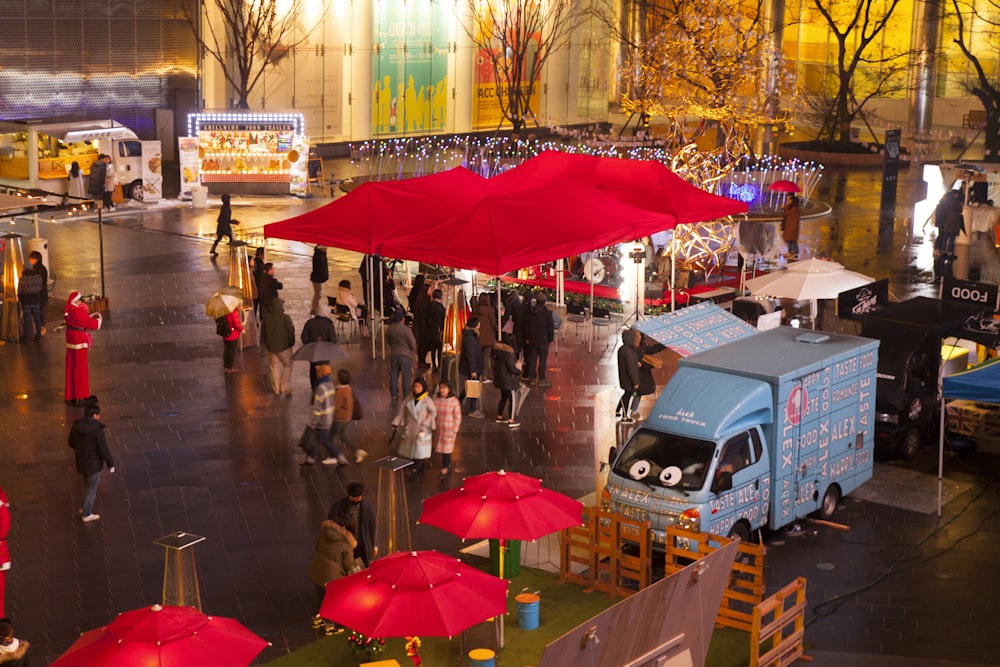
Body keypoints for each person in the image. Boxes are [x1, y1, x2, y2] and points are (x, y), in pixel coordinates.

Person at [306, 518, 355, 636]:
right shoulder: (346, 544)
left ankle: (316, 619)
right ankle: (329, 627)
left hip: (317, 569)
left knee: (319, 596)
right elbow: (348, 564)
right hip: (331, 576)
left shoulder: (326, 533)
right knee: (331, 601)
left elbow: (317, 546)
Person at [68, 404, 115, 523]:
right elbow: (103, 449)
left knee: (86, 486)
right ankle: (86, 514)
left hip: (81, 462)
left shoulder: (76, 426)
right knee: (91, 490)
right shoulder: (97, 431)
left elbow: (71, 442)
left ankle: (82, 508)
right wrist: (111, 464)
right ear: (95, 415)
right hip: (94, 465)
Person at [304, 364, 348, 466]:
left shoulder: (320, 388)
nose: (317, 373)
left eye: (318, 372)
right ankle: (310, 458)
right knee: (317, 438)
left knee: (325, 440)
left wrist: (313, 423)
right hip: (330, 417)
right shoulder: (331, 385)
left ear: (321, 374)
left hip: (323, 419)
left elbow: (317, 408)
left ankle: (340, 457)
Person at [64, 291, 102, 407]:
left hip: (71, 339)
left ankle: (70, 396)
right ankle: (80, 397)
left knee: (71, 367)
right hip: (79, 340)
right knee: (81, 369)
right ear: (75, 301)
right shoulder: (77, 311)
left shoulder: (69, 310)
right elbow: (87, 322)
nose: (81, 302)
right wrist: (98, 322)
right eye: (79, 300)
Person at [392, 378, 437, 474]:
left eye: (418, 387)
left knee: (419, 448)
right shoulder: (409, 398)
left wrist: (427, 420)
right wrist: (396, 423)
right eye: (415, 386)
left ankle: (418, 464)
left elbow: (433, 411)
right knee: (412, 447)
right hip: (411, 427)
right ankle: (414, 463)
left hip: (422, 428)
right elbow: (402, 411)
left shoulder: (427, 400)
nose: (416, 389)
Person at [327, 482, 377, 567]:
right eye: (353, 498)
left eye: (358, 498)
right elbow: (331, 526)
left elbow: (372, 527)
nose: (356, 501)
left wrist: (373, 544)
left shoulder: (367, 507)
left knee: (365, 566)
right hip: (346, 544)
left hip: (362, 544)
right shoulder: (338, 507)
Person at [261, 297, 295, 396]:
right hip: (284, 347)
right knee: (287, 365)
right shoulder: (286, 318)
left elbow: (262, 334)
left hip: (271, 348)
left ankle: (276, 389)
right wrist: (291, 343)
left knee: (274, 367)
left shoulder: (266, 318)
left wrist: (267, 343)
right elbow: (291, 332)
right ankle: (284, 386)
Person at [332, 369, 367, 464]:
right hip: (347, 417)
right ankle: (358, 451)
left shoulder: (340, 391)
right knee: (343, 436)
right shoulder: (348, 388)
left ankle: (335, 456)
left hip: (340, 418)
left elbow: (336, 406)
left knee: (332, 437)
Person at [300, 306, 337, 389]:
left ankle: (314, 388)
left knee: (313, 369)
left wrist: (308, 345)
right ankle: (323, 387)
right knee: (324, 370)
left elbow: (303, 337)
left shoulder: (309, 323)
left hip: (313, 351)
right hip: (325, 352)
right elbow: (333, 340)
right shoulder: (329, 324)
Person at [523, 292, 554, 388]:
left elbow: (526, 326)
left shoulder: (531, 312)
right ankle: (542, 379)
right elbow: (550, 327)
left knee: (532, 359)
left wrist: (527, 337)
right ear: (544, 302)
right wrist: (551, 339)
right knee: (542, 361)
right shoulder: (547, 314)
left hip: (532, 340)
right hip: (543, 340)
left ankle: (532, 378)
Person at [433, 380, 462, 477]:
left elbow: (457, 417)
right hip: (438, 428)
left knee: (446, 450)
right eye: (440, 388)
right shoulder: (436, 399)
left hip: (449, 429)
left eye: (444, 388)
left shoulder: (454, 401)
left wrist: (454, 429)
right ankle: (447, 465)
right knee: (443, 449)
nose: (442, 390)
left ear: (449, 389)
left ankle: (446, 466)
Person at [386, 309, 417, 401]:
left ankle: (394, 393)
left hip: (394, 354)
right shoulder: (406, 329)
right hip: (405, 355)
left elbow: (388, 341)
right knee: (406, 376)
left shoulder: (390, 328)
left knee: (394, 375)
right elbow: (412, 343)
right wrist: (413, 353)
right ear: (402, 319)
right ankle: (407, 394)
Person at [458, 317, 485, 418]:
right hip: (473, 367)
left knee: (469, 387)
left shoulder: (472, 335)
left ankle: (457, 402)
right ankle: (472, 409)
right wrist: (473, 370)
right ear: (476, 325)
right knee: (473, 387)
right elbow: (471, 355)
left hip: (474, 366)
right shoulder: (470, 338)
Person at [493, 333, 521, 427]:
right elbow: (511, 368)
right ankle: (511, 419)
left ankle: (499, 416)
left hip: (500, 378)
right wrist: (518, 371)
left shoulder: (498, 350)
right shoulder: (510, 352)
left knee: (503, 397)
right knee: (512, 399)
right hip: (509, 380)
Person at [617, 328, 643, 424]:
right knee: (627, 397)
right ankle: (624, 417)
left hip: (623, 377)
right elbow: (631, 369)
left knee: (625, 395)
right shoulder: (630, 352)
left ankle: (617, 410)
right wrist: (636, 382)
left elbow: (627, 364)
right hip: (629, 380)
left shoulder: (622, 349)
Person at [17, 259, 45, 343]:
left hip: (26, 302)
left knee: (27, 319)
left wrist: (21, 299)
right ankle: (38, 335)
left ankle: (26, 337)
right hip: (36, 300)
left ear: (24, 268)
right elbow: (41, 288)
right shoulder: (38, 277)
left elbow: (20, 291)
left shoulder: (22, 279)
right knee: (37, 318)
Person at [935, 189, 965, 257]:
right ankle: (950, 252)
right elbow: (960, 210)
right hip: (954, 222)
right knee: (952, 237)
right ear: (955, 195)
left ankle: (943, 250)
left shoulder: (945, 202)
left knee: (945, 236)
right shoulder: (957, 202)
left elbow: (942, 212)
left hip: (946, 222)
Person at [475, 293, 498, 380]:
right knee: (486, 356)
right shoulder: (490, 309)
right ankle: (484, 375)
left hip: (478, 336)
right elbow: (493, 323)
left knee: (478, 356)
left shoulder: (476, 309)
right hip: (488, 337)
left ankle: (478, 373)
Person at [221, 305, 244, 375]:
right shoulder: (233, 312)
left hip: (225, 334)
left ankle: (225, 367)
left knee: (226, 350)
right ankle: (230, 368)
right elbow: (237, 325)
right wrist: (241, 328)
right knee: (231, 352)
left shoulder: (223, 311)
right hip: (233, 335)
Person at [309, 245, 329, 314]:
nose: (326, 248)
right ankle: (314, 308)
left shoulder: (321, 254)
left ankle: (315, 307)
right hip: (317, 278)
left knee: (318, 294)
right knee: (318, 294)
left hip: (318, 278)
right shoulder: (318, 256)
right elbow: (320, 268)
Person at [782, 193, 800, 257]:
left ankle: (791, 251)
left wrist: (785, 206)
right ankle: (795, 251)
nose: (787, 201)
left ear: (792, 201)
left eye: (789, 199)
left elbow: (786, 213)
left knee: (789, 239)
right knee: (792, 240)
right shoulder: (793, 207)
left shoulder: (794, 208)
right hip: (790, 226)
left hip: (791, 227)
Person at [251, 247, 266, 319]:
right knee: (261, 304)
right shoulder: (260, 264)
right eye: (263, 254)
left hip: (255, 286)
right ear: (260, 254)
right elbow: (261, 276)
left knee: (255, 305)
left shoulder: (255, 262)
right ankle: (261, 318)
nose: (264, 256)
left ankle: (254, 318)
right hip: (259, 287)